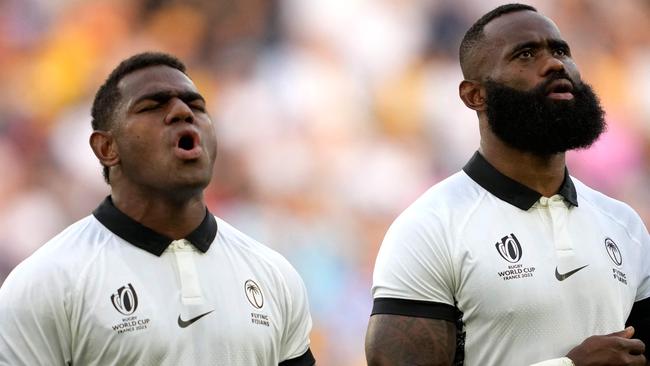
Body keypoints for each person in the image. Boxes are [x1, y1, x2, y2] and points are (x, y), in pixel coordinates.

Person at [365, 3, 650, 366]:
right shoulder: (430, 229)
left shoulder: (625, 225)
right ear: (475, 96)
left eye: (561, 50)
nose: (555, 64)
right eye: (526, 54)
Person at [0, 52, 315, 366]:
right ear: (107, 148)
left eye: (196, 106)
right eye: (152, 106)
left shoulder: (273, 275)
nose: (182, 112)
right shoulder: (45, 284)